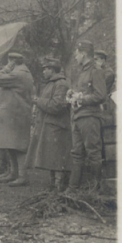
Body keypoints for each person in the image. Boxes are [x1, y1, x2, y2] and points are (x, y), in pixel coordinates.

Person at [0, 52, 35, 184]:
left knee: (17, 146)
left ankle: (22, 176)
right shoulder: (21, 73)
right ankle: (14, 173)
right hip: (14, 113)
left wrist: (6, 68)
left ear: (13, 61)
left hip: (15, 114)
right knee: (10, 144)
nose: (7, 64)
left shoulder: (17, 74)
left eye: (9, 61)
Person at [67, 40, 108, 192]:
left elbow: (100, 95)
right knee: (77, 154)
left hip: (90, 117)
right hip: (78, 117)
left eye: (77, 54)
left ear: (83, 54)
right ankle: (72, 189)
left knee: (93, 153)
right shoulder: (82, 71)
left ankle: (96, 190)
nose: (75, 57)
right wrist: (71, 92)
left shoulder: (95, 71)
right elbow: (81, 90)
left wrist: (81, 99)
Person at [26, 56, 72, 190]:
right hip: (50, 125)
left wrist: (38, 101)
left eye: (46, 69)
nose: (44, 72)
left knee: (57, 158)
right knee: (50, 157)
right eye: (44, 69)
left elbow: (57, 106)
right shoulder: (51, 83)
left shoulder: (61, 84)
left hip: (58, 127)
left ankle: (59, 185)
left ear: (53, 70)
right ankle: (53, 185)